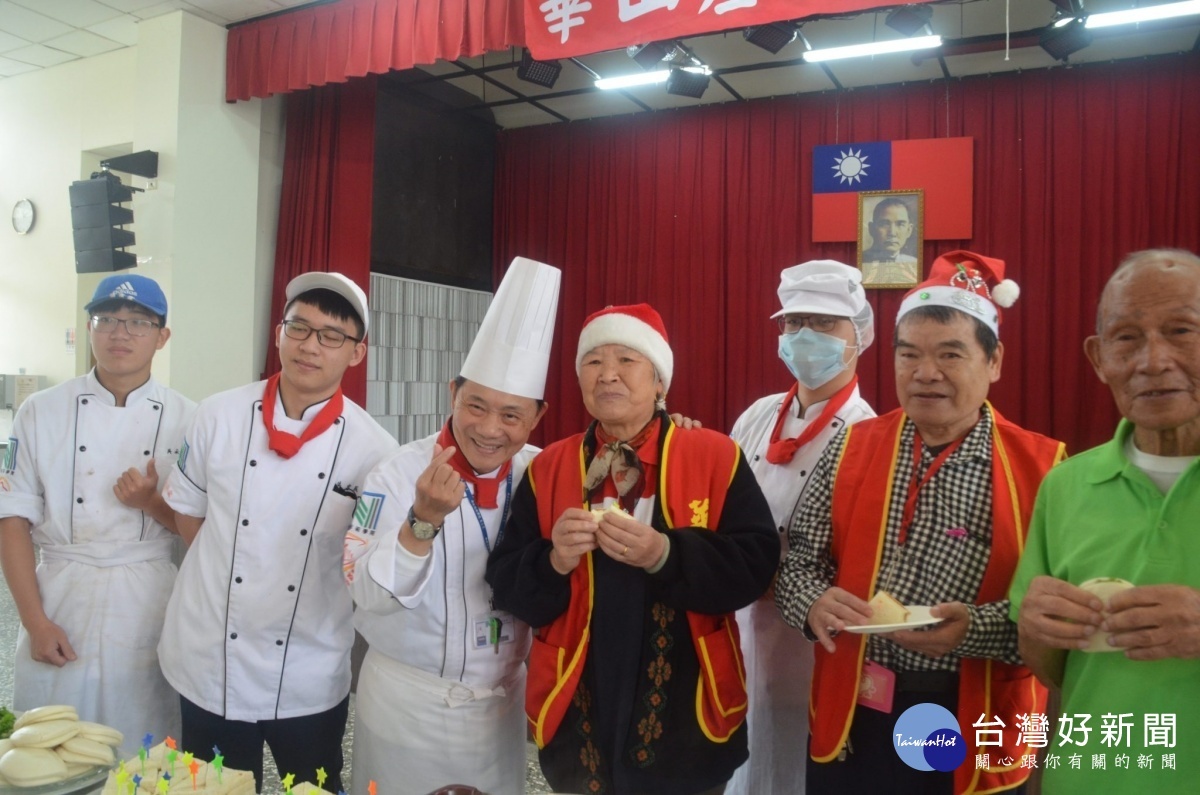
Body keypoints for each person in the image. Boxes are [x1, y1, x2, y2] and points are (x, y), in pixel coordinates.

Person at [776, 250, 1066, 794]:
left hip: (965, 706)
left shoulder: (1045, 469)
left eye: (951, 355)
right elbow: (798, 567)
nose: (925, 373)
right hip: (855, 706)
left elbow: (1055, 612)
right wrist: (813, 602)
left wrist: (974, 630)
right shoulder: (850, 447)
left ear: (995, 361)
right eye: (908, 355)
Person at [486, 303, 779, 795]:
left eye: (626, 360)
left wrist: (666, 554)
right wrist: (554, 559)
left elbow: (755, 565)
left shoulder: (713, 454)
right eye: (594, 362)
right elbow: (508, 583)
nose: (608, 376)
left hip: (687, 717)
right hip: (579, 706)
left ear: (660, 380)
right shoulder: (549, 467)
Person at [158, 271, 398, 792]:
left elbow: (367, 557)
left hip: (307, 667)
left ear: (356, 353)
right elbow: (188, 510)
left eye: (332, 336)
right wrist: (225, 570)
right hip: (210, 657)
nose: (311, 346)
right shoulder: (215, 416)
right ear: (279, 333)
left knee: (311, 786)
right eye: (300, 328)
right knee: (212, 788)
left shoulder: (375, 451)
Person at [343, 257, 559, 795]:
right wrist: (421, 523)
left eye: (511, 415)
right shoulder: (393, 474)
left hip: (498, 707)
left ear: (538, 417)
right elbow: (365, 593)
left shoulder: (545, 473)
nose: (489, 429)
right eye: (475, 406)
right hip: (405, 704)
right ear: (451, 394)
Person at [1010, 248, 1200, 793]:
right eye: (1127, 338)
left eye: (1181, 330)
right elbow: (1052, 669)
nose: (1153, 360)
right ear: (1098, 358)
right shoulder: (1066, 485)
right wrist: (1039, 627)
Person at [0, 274, 195, 756]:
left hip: (147, 595)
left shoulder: (189, 419)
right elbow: (12, 519)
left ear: (162, 336)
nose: (119, 333)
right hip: (62, 590)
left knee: (143, 743)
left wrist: (152, 503)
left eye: (137, 322)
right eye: (106, 319)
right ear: (88, 328)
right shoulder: (40, 411)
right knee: (50, 743)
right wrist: (36, 621)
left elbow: (200, 532)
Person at [726, 260, 876, 795]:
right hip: (736, 626)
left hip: (811, 644)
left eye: (823, 324)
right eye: (793, 324)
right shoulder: (757, 416)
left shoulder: (869, 436)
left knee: (797, 766)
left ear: (858, 336)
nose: (804, 337)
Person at [861, 197, 919, 285]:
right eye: (884, 224)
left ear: (909, 230)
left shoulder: (914, 263)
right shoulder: (861, 261)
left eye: (900, 224)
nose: (892, 233)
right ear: (871, 229)